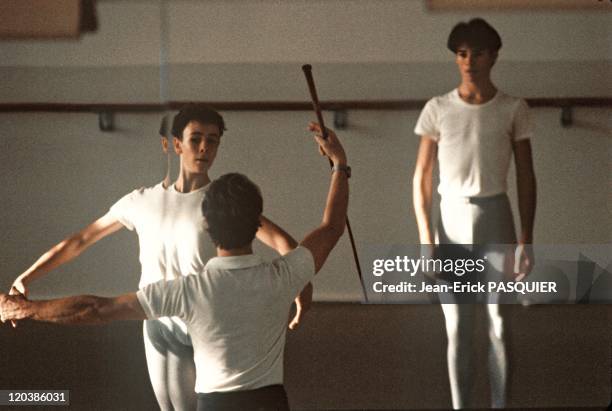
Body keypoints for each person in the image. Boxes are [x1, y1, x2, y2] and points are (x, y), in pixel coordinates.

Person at [1, 122, 349, 411]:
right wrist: (339, 166)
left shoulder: (187, 291)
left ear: (208, 228)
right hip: (271, 403)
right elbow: (331, 228)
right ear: (257, 226)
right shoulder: (285, 276)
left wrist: (28, 308)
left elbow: (95, 308)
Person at [412, 18, 537, 409]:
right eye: (462, 54)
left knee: (499, 323)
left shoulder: (513, 108)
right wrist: (426, 241)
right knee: (459, 328)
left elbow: (526, 176)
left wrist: (526, 240)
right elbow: (422, 179)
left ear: (493, 56)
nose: (469, 61)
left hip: (496, 214)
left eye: (478, 53)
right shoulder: (438, 109)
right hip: (451, 220)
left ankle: (502, 404)